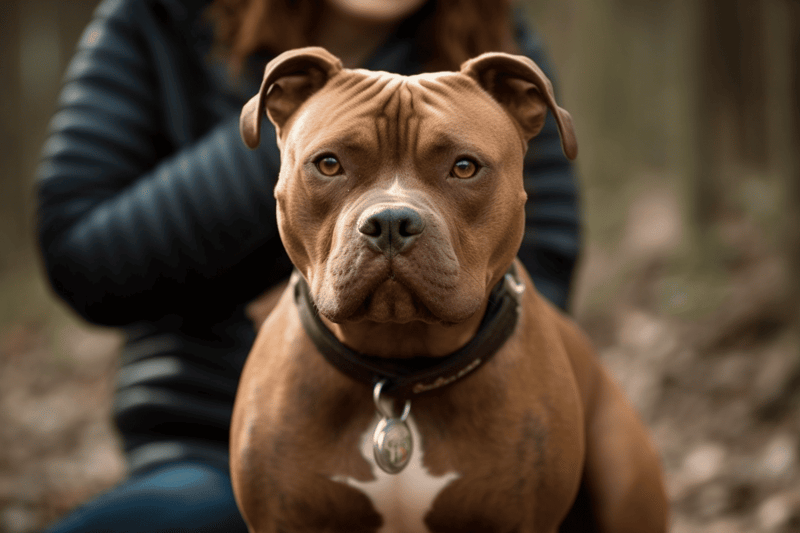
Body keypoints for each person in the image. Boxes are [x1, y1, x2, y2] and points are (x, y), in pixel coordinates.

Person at [36, 0, 581, 530]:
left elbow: (546, 262)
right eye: (330, 164)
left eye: (461, 166)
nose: (391, 217)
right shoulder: (161, 13)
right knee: (192, 510)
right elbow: (81, 259)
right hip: (209, 422)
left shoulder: (499, 48)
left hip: (477, 397)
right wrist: (310, 123)